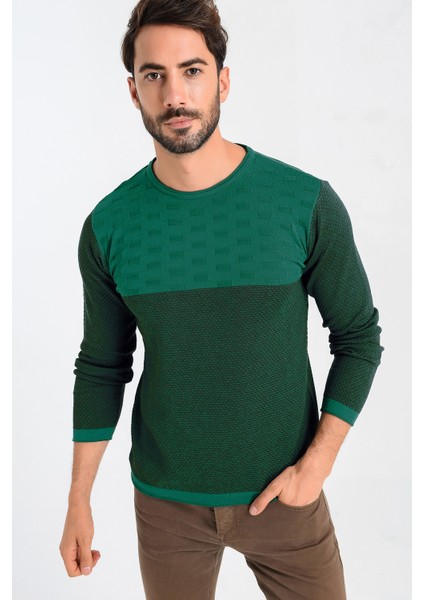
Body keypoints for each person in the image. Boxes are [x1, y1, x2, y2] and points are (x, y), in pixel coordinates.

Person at [59, 1, 384, 598]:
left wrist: (316, 467)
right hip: (165, 506)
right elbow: (102, 365)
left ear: (223, 81)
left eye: (192, 70)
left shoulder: (303, 203)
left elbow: (359, 337)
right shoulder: (109, 227)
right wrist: (78, 499)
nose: (174, 95)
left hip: (286, 496)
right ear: (133, 91)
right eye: (154, 75)